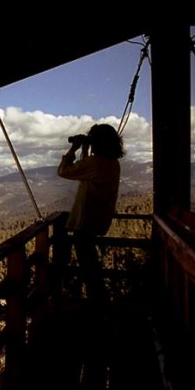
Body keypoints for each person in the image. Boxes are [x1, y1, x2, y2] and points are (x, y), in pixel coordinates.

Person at [57, 123, 125, 302]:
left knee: (88, 266)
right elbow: (85, 170)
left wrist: (74, 148)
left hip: (85, 220)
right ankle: (99, 301)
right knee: (90, 264)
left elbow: (64, 171)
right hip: (98, 219)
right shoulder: (112, 163)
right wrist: (85, 149)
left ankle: (98, 303)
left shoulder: (95, 163)